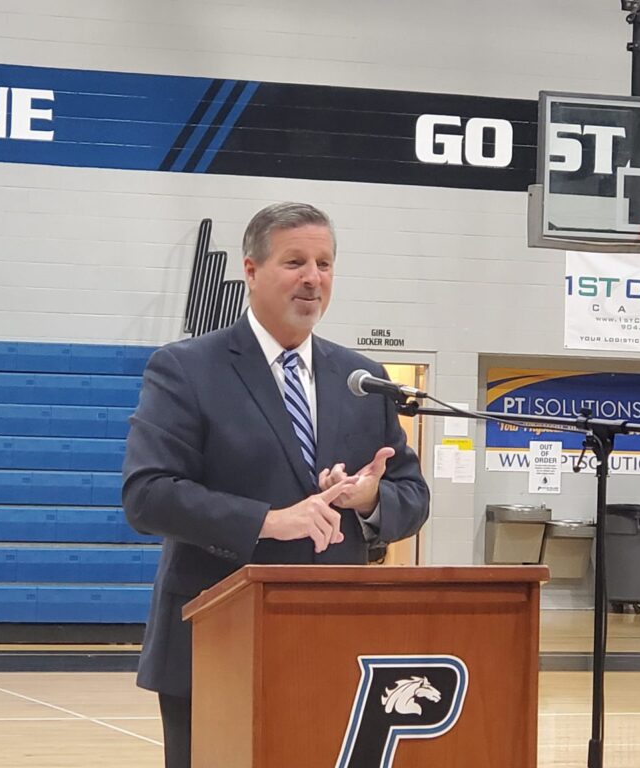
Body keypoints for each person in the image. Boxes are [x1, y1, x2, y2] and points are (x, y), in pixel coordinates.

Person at [122, 202, 431, 768]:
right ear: (251, 269)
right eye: (295, 262)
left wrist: (368, 500)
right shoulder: (187, 368)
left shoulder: (362, 379)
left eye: (324, 263)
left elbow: (411, 496)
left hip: (335, 648)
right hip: (216, 644)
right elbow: (148, 494)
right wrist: (267, 520)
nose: (313, 277)